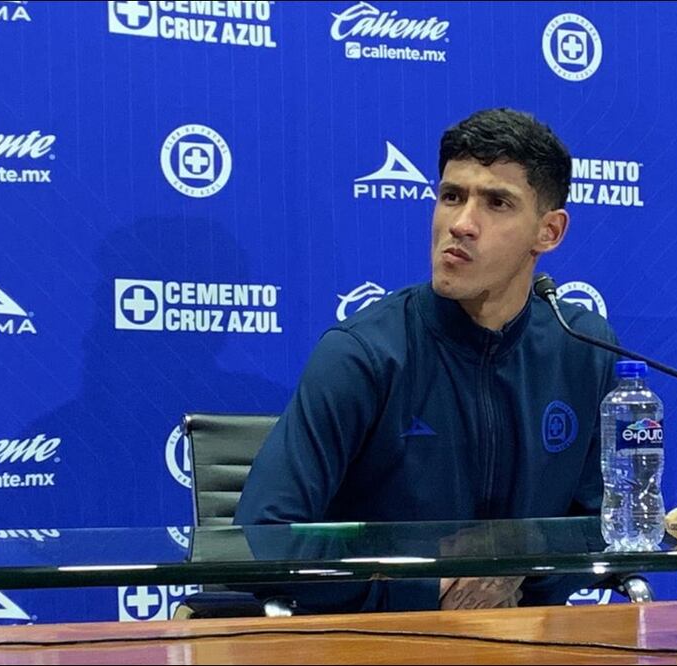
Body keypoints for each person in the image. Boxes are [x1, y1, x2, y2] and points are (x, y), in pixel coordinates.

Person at [235, 108, 619, 612]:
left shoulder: (585, 349)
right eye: (451, 196)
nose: (460, 224)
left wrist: (514, 576)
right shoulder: (364, 353)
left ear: (548, 232)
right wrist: (425, 590)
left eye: (497, 203)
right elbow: (264, 534)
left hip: (522, 636)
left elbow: (608, 526)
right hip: (372, 640)